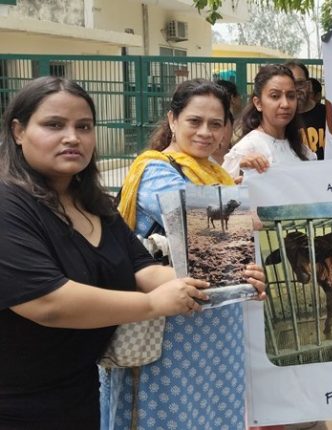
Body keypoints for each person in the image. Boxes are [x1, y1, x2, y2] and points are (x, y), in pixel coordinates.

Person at [0, 76, 227, 429]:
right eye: (54, 125)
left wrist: (224, 279)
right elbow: (47, 302)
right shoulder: (9, 204)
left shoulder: (94, 204)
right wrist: (152, 304)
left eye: (84, 126)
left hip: (79, 393)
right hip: (17, 404)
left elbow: (141, 267)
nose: (72, 137)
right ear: (18, 131)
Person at [101, 78, 267, 430]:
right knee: (169, 412)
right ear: (173, 120)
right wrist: (253, 216)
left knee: (216, 407)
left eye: (216, 124)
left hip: (220, 321)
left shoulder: (218, 175)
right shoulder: (154, 171)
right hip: (171, 323)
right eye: (195, 121)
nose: (205, 132)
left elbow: (230, 245)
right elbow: (193, 218)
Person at [222, 64, 316, 179]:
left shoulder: (302, 150)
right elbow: (223, 188)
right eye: (275, 96)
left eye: (291, 96)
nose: (285, 104)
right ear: (258, 103)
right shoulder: (245, 151)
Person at [285, 61, 327, 160]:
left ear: (308, 85)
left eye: (300, 83)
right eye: (290, 84)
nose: (295, 89)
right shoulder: (280, 120)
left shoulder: (328, 115)